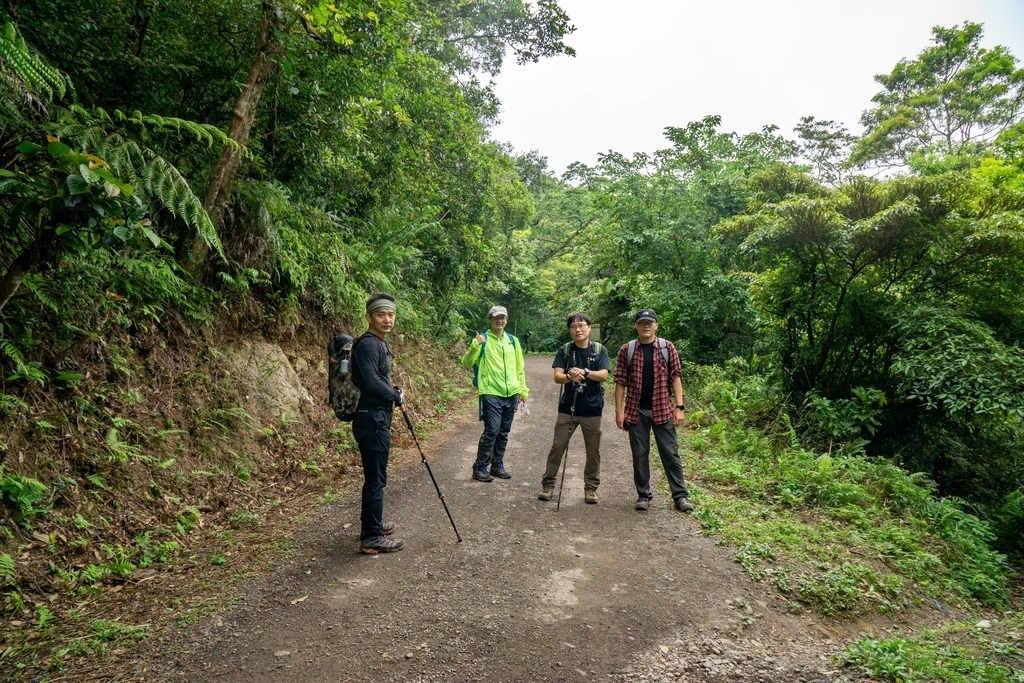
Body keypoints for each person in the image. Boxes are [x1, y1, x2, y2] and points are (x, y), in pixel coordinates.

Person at [613, 308, 695, 513]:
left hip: (663, 410)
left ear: (656, 325)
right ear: (636, 326)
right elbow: (620, 382)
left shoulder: (667, 348)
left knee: (670, 453)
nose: (646, 325)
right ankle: (643, 495)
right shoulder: (627, 350)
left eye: (650, 322)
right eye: (642, 322)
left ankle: (680, 496)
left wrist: (680, 407)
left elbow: (676, 377)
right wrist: (618, 412)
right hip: (635, 411)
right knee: (639, 454)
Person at [351, 292, 405, 553]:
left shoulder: (377, 343)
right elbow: (372, 383)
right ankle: (372, 536)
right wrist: (395, 395)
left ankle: (371, 525)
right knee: (376, 480)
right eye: (381, 314)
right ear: (369, 317)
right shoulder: (369, 344)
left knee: (375, 477)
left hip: (375, 417)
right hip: (371, 419)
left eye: (391, 314)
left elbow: (377, 379)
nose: (387, 319)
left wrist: (392, 393)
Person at [538, 313, 610, 504]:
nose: (577, 329)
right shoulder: (565, 350)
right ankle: (548, 484)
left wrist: (585, 372)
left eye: (581, 325)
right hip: (567, 408)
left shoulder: (599, 350)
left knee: (593, 450)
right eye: (573, 327)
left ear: (589, 327)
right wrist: (570, 376)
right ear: (570, 330)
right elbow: (557, 377)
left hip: (592, 409)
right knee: (558, 446)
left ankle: (591, 488)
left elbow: (603, 375)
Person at [461, 305, 529, 482]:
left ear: (506, 320)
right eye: (496, 317)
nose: (500, 320)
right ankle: (480, 467)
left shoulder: (513, 341)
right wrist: (476, 345)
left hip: (511, 393)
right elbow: (466, 363)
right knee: (492, 430)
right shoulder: (482, 339)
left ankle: (497, 465)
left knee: (504, 432)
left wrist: (522, 391)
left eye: (503, 317)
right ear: (490, 320)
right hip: (490, 392)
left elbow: (519, 368)